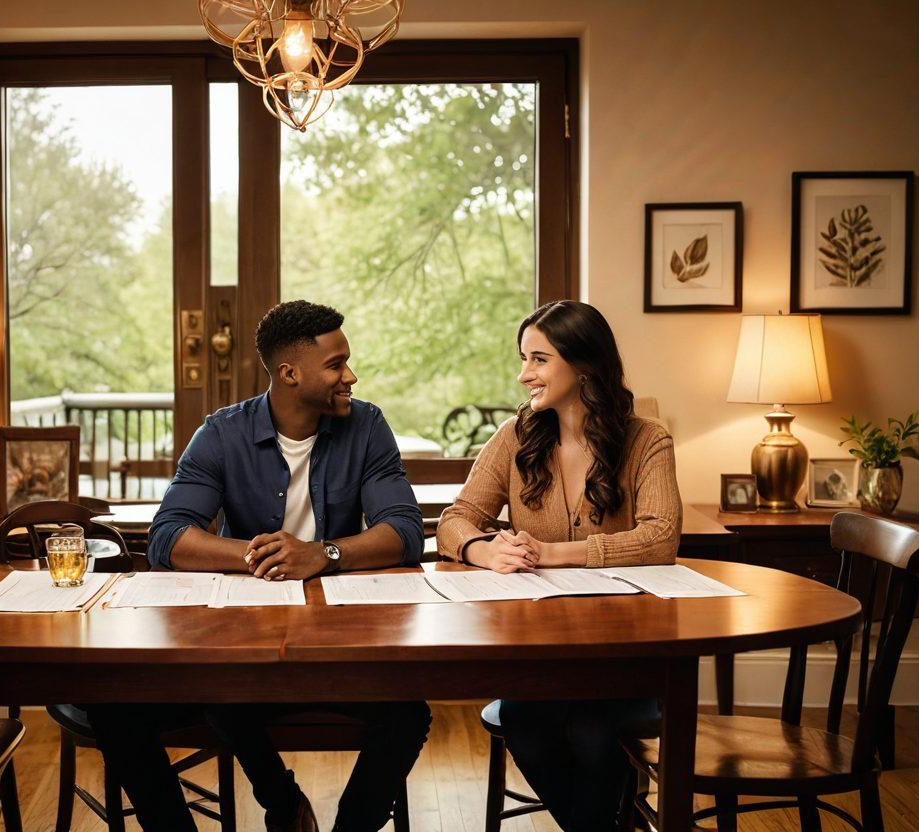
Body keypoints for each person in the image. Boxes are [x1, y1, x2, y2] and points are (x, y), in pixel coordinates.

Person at [87, 300, 431, 832]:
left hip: (341, 639)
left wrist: (322, 554)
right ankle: (278, 802)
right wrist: (261, 554)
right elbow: (168, 536)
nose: (351, 376)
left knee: (408, 714)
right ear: (290, 373)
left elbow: (405, 531)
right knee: (119, 709)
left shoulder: (367, 427)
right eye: (337, 365)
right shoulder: (222, 433)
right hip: (240, 643)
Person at [437, 299, 682, 832]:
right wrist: (484, 549)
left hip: (624, 648)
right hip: (538, 650)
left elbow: (661, 537)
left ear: (585, 364)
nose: (524, 374)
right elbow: (455, 519)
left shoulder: (647, 439)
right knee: (525, 726)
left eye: (539, 359)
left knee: (594, 734)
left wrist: (557, 553)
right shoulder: (516, 436)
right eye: (523, 359)